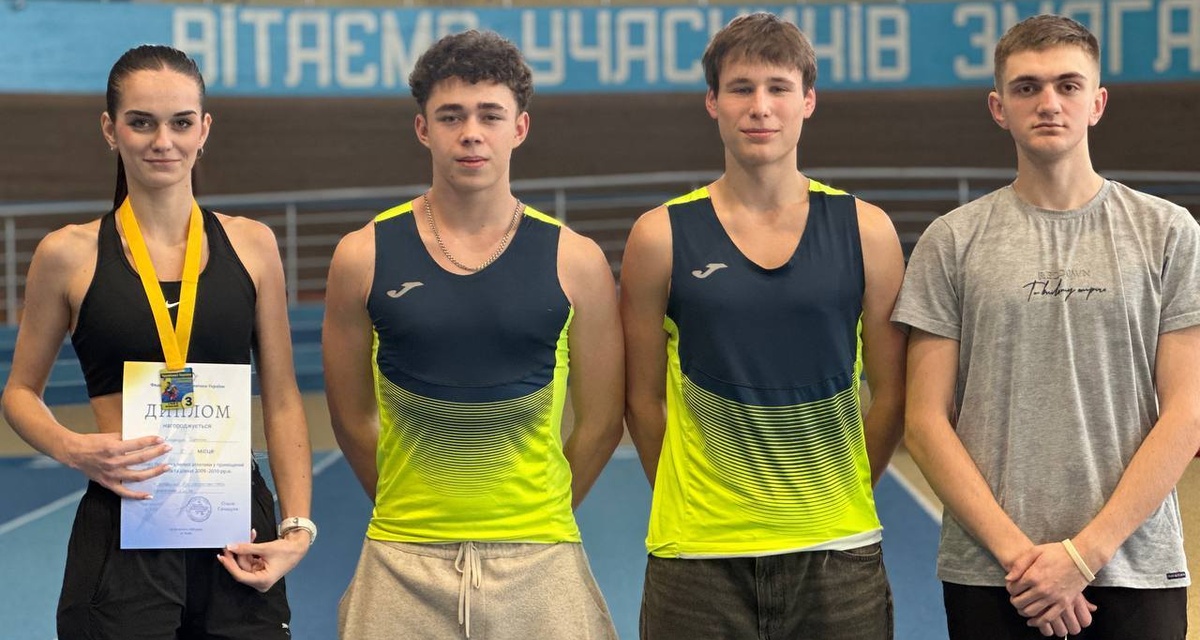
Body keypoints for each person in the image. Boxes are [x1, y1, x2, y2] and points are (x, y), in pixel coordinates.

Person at [894, 14, 1200, 640]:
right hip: (995, 573)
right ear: (999, 108)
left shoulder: (1169, 233)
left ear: (1097, 103)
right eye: (1027, 87)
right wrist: (1023, 560)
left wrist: (1083, 556)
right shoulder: (951, 242)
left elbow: (1187, 413)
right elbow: (924, 422)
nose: (1049, 102)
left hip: (1134, 568)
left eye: (1068, 85)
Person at [1, 45, 313, 639]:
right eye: (141, 122)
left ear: (204, 130)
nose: (163, 141)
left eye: (181, 123)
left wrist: (297, 528)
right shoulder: (67, 254)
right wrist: (73, 448)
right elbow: (19, 392)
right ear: (110, 129)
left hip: (236, 527)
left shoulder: (253, 246)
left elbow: (282, 398)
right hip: (126, 521)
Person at [323, 29, 623, 640]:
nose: (470, 133)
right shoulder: (362, 256)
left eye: (490, 115)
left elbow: (601, 423)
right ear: (422, 129)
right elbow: (351, 419)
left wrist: (538, 513)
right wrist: (413, 508)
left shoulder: (576, 260)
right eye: (451, 116)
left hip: (541, 557)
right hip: (401, 556)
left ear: (520, 128)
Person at [620, 12, 907, 639]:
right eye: (741, 88)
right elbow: (640, 401)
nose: (760, 107)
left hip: (838, 554)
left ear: (808, 100)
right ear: (712, 102)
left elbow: (892, 395)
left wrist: (841, 492)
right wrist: (692, 498)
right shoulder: (659, 237)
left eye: (778, 87)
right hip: (697, 560)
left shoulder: (867, 231)